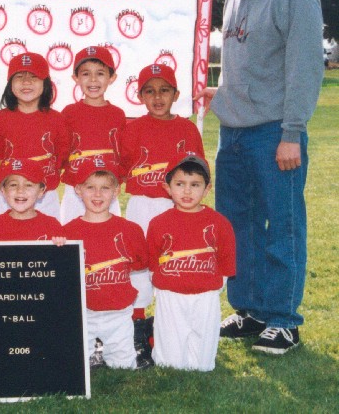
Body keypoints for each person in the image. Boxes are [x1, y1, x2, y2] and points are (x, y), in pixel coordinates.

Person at [195, 0, 324, 354]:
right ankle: (249, 311)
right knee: (238, 225)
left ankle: (284, 319)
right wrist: (221, 96)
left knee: (282, 226)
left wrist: (292, 131)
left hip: (275, 133)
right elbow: (245, 66)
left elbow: (305, 68)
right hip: (233, 133)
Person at [119, 63, 205, 367]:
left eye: (164, 90)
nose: (157, 97)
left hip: (176, 208)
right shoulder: (133, 128)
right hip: (142, 204)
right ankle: (138, 328)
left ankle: (173, 325)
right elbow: (119, 168)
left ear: (176, 94)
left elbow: (200, 174)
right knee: (139, 264)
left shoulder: (187, 128)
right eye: (150, 91)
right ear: (140, 96)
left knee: (173, 264)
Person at [148, 155, 235, 371]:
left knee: (203, 364)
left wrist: (213, 284)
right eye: (180, 184)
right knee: (170, 362)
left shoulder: (219, 223)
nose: (187, 192)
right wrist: (163, 282)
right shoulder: (159, 223)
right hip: (171, 294)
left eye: (195, 185)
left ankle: (200, 360)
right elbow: (152, 261)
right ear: (167, 188)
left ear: (207, 189)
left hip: (205, 295)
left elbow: (226, 260)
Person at [63, 159, 148, 369]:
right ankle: (92, 353)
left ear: (116, 191)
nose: (97, 194)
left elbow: (140, 263)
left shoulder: (130, 230)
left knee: (124, 367)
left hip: (118, 312)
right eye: (90, 187)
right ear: (78, 190)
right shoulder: (67, 232)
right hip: (83, 312)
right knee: (74, 368)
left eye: (105, 188)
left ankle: (110, 352)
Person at [0, 52, 69, 220]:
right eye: (19, 76)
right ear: (10, 84)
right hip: (9, 195)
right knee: (7, 242)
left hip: (46, 196)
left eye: (34, 76)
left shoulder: (57, 120)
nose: (26, 82)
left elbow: (62, 156)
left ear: (46, 83)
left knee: (47, 243)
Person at [60, 46, 126, 223]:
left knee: (109, 234)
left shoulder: (118, 115)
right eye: (86, 74)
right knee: (72, 239)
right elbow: (61, 150)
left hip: (106, 189)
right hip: (75, 189)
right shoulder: (69, 113)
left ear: (112, 78)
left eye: (100, 73)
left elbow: (123, 153)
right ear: (76, 78)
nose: (93, 80)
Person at [0, 158, 66, 247]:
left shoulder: (52, 226)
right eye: (13, 185)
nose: (20, 191)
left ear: (41, 192)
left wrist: (61, 246)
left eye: (28, 185)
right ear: (3, 191)